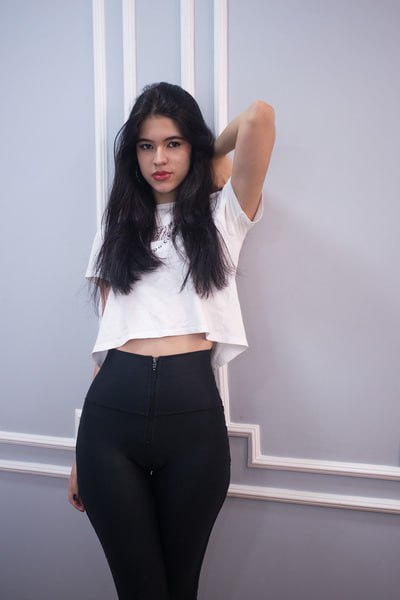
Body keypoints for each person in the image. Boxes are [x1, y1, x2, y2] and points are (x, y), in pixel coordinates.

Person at [68, 82, 275, 600]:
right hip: (109, 424)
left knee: (180, 589)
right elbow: (107, 340)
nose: (158, 158)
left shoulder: (223, 216)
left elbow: (259, 117)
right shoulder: (115, 228)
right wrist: (79, 453)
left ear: (192, 147)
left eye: (173, 143)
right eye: (146, 145)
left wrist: (212, 154)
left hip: (193, 424)